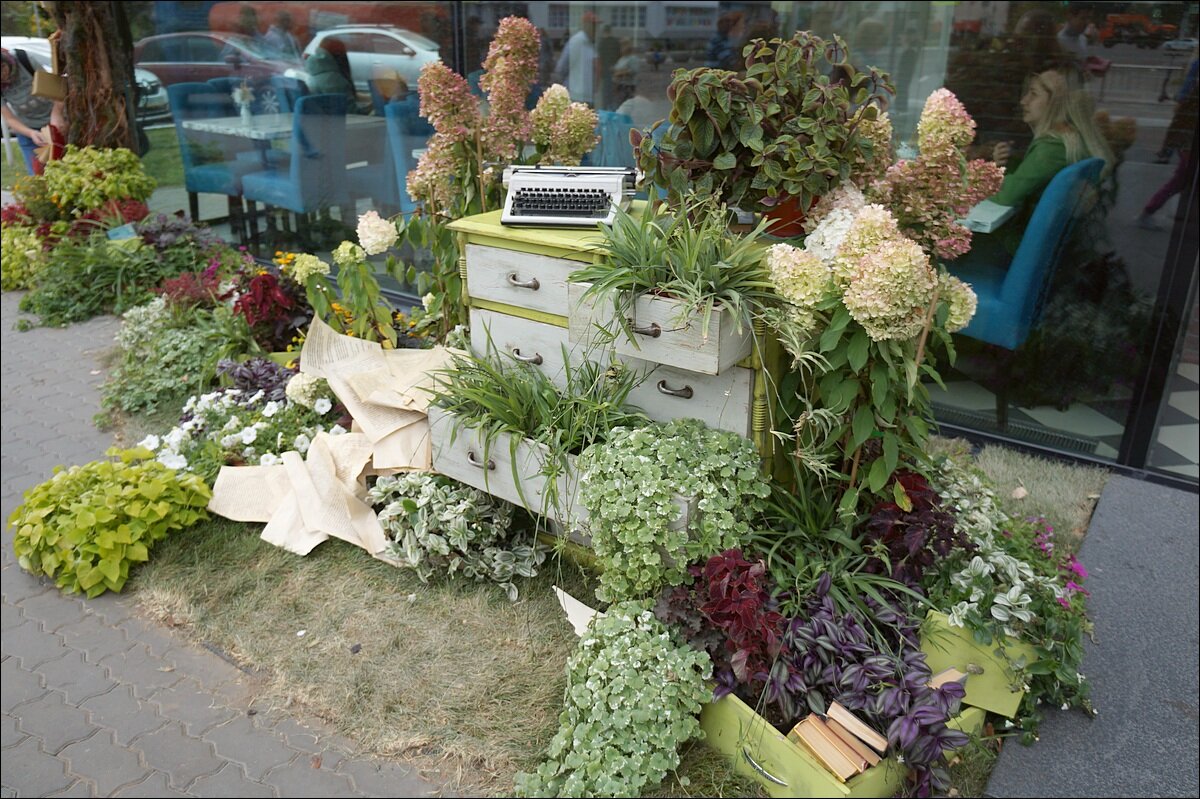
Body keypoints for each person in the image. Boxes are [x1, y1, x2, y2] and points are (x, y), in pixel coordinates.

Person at [982, 62, 1114, 257]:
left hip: (1016, 252)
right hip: (1045, 254)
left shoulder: (1052, 147)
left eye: (1033, 94)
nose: (1023, 101)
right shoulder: (1068, 140)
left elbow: (1007, 195)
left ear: (1055, 103)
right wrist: (1004, 165)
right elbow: (1031, 179)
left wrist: (980, 178)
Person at [1137, 50, 1197, 230]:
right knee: (1183, 178)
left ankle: (1151, 212)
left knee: (1182, 178)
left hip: (1188, 136)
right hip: (1190, 137)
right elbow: (1183, 106)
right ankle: (1149, 212)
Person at [0, 47, 66, 176]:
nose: (3, 80)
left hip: (55, 124)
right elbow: (9, 119)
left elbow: (56, 89)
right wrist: (31, 133)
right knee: (38, 176)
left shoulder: (24, 59)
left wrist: (57, 113)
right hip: (29, 131)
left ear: (4, 65)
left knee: (66, 170)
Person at [553, 11, 599, 105]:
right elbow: (561, 67)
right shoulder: (577, 41)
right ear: (586, 25)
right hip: (576, 94)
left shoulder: (590, 43)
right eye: (594, 25)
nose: (596, 29)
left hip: (586, 95)